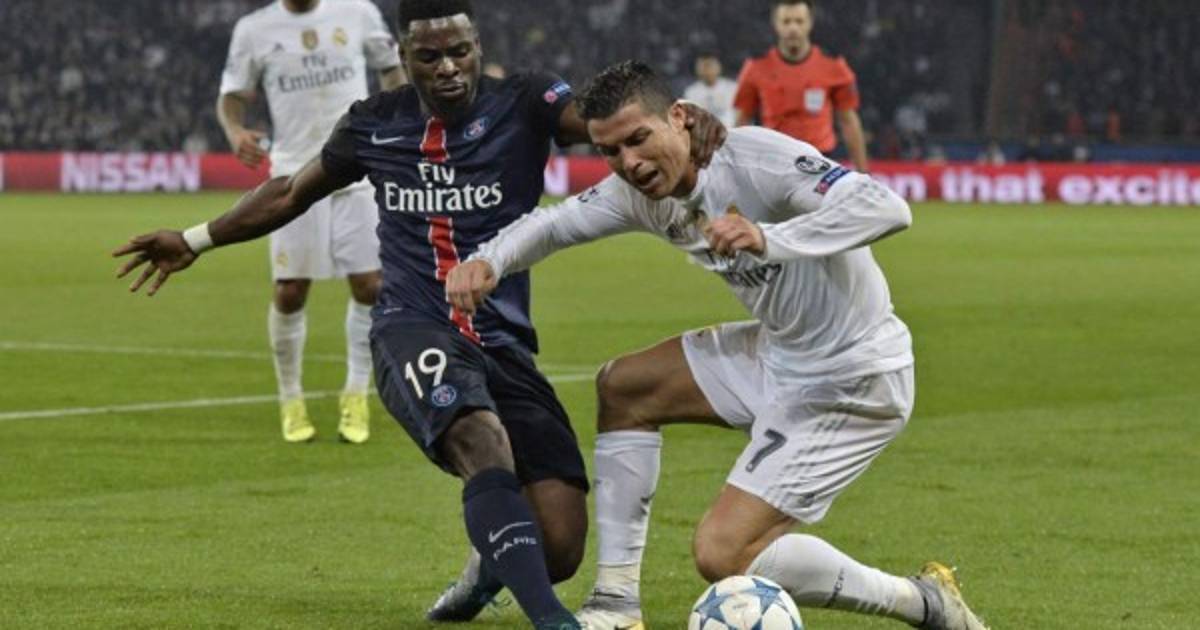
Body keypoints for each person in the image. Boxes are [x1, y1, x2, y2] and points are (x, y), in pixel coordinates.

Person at [114, 3, 723, 628]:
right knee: (481, 440)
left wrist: (679, 119)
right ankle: (552, 621)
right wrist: (194, 239)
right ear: (403, 59)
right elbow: (290, 192)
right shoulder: (374, 123)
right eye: (429, 57)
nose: (448, 68)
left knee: (559, 546)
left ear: (478, 46)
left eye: (459, 51)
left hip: (503, 341)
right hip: (412, 325)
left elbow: (603, 120)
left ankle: (487, 565)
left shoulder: (525, 101)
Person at [447, 61, 989, 630]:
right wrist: (488, 261)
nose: (629, 162)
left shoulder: (756, 160)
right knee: (625, 388)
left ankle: (923, 602)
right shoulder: (638, 191)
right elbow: (554, 225)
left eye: (639, 138)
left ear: (679, 118)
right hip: (780, 353)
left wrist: (768, 237)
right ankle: (615, 602)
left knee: (723, 556)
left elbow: (885, 207)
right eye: (610, 151)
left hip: (853, 376)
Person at [217, 0, 406, 444]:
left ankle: (356, 393)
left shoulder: (358, 12)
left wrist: (396, 116)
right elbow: (231, 95)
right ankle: (290, 398)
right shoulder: (254, 29)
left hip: (359, 171)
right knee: (290, 290)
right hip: (293, 175)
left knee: (370, 285)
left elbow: (390, 67)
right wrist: (235, 132)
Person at [733, 0, 870, 173]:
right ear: (775, 24)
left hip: (821, 160)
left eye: (799, 21)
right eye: (786, 21)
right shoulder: (756, 67)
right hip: (773, 163)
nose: (793, 28)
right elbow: (742, 122)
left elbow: (848, 121)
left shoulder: (833, 65)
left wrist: (863, 173)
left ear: (810, 23)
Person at [682, 53, 738, 128]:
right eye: (703, 67)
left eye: (709, 66)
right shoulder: (691, 92)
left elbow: (740, 114)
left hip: (731, 130)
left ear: (718, 67)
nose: (707, 70)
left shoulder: (732, 88)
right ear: (697, 69)